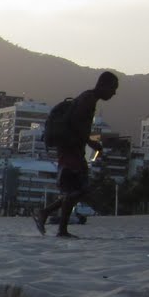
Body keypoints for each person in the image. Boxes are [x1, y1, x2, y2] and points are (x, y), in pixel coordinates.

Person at [35, 71, 119, 237]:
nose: (114, 93)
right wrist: (91, 142)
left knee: (77, 190)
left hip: (72, 149)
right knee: (76, 190)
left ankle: (47, 215)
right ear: (103, 85)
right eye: (113, 88)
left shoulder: (88, 98)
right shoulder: (87, 100)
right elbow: (75, 124)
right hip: (70, 149)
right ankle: (59, 227)